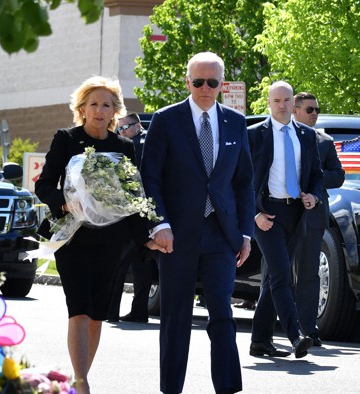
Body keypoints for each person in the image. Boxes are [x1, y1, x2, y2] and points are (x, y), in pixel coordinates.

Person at [140, 52, 253, 394]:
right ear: (187, 81)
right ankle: (171, 387)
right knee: (175, 316)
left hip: (222, 235)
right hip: (176, 235)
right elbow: (150, 177)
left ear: (222, 84)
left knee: (222, 312)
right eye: (199, 81)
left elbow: (244, 182)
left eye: (213, 82)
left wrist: (245, 232)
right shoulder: (166, 120)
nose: (206, 88)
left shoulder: (236, 123)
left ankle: (228, 387)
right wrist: (159, 224)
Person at [34, 76, 146, 394]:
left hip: (111, 240)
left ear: (115, 111)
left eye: (106, 105)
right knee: (79, 309)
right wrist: (64, 203)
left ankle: (81, 373)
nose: (99, 110)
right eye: (93, 104)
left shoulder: (123, 147)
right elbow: (43, 186)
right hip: (73, 239)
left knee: (97, 313)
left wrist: (147, 237)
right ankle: (81, 381)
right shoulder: (66, 139)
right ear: (82, 109)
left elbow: (133, 196)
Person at [247, 81, 322, 359]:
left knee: (273, 279)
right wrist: (254, 214)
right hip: (266, 214)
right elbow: (241, 181)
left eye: (286, 100)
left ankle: (259, 341)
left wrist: (313, 196)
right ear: (269, 103)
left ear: (294, 104)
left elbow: (316, 173)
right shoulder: (254, 135)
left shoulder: (306, 135)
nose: (281, 105)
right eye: (276, 100)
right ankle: (296, 335)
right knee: (281, 274)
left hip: (296, 213)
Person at [292, 92, 344, 346]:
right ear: (295, 110)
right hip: (282, 216)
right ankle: (269, 328)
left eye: (316, 109)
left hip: (313, 216)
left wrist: (313, 176)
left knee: (310, 273)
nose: (315, 114)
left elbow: (338, 176)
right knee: (276, 272)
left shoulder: (324, 141)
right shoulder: (280, 137)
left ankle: (308, 329)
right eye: (310, 109)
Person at [107, 113, 151, 323]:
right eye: (119, 129)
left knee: (119, 264)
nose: (122, 132)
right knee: (142, 266)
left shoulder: (131, 146)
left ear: (138, 125)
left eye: (126, 127)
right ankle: (139, 310)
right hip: (147, 213)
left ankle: (111, 310)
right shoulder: (151, 142)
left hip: (130, 214)